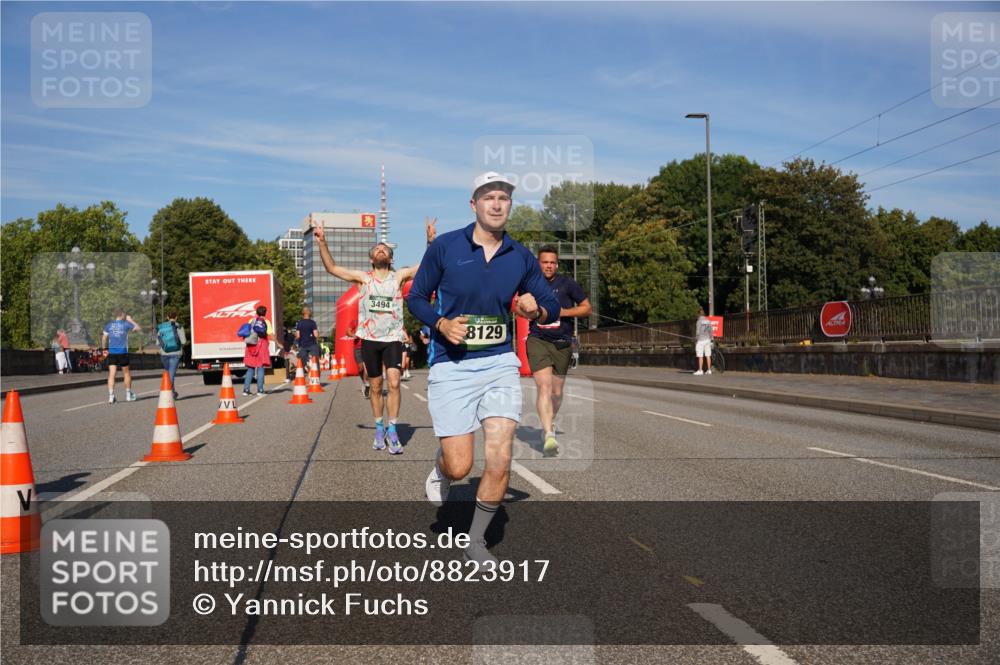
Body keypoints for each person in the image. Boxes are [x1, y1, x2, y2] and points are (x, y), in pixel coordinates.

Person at [407, 172, 561, 564]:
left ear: (510, 206)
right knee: (461, 466)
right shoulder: (445, 247)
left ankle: (476, 540)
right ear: (473, 204)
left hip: (498, 363)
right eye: (488, 197)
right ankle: (441, 471)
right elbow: (417, 298)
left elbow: (552, 307)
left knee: (500, 454)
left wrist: (536, 308)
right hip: (452, 365)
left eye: (504, 198)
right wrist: (440, 324)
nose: (496, 203)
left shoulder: (521, 256)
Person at [312, 218, 435, 454]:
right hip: (369, 339)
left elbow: (425, 267)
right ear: (372, 258)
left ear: (390, 259)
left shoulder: (399, 277)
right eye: (377, 248)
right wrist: (322, 243)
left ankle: (393, 429)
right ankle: (379, 428)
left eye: (385, 249)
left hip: (392, 339)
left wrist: (430, 242)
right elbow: (332, 268)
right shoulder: (363, 279)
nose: (381, 249)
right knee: (376, 386)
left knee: (395, 382)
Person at [526, 245, 592, 456]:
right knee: (543, 387)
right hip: (538, 339)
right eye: (545, 262)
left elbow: (586, 308)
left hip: (562, 342)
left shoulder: (567, 284)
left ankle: (550, 422)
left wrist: (562, 311)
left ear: (557, 264)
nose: (549, 266)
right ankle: (548, 434)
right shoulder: (530, 283)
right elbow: (517, 304)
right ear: (538, 263)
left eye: (552, 262)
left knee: (556, 391)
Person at [102, 308, 141, 404]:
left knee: (112, 374)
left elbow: (104, 338)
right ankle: (128, 395)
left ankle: (111, 396)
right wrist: (130, 320)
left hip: (112, 352)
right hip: (123, 352)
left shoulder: (109, 324)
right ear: (122, 314)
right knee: (126, 373)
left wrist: (104, 349)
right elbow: (138, 328)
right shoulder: (126, 324)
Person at [241, 305, 271, 395]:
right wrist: (278, 343)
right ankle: (260, 390)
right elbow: (270, 333)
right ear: (265, 313)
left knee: (250, 368)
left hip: (251, 346)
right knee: (260, 367)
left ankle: (246, 390)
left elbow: (247, 332)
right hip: (261, 346)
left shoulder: (251, 320)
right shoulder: (266, 321)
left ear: (256, 312)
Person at [157, 310, 187, 398]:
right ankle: (169, 393)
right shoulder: (179, 326)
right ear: (176, 317)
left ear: (167, 317)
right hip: (176, 353)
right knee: (171, 374)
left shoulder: (162, 327)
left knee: (168, 373)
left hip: (164, 353)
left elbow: (158, 343)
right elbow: (184, 341)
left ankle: (172, 392)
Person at [347, 325, 370, 398]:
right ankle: (364, 383)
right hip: (358, 348)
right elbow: (348, 332)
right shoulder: (355, 321)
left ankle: (367, 385)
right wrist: (354, 335)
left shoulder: (370, 319)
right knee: (360, 368)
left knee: (367, 370)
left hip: (368, 347)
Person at [694, 308, 713, 375]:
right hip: (708, 340)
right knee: (708, 355)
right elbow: (711, 331)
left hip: (700, 340)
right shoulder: (708, 321)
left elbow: (698, 332)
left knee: (700, 355)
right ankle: (709, 370)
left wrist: (696, 339)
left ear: (698, 314)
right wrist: (711, 339)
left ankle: (700, 370)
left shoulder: (699, 321)